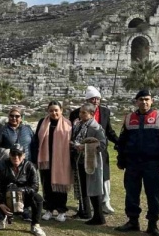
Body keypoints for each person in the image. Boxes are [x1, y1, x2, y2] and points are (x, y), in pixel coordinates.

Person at [115, 89, 159, 236]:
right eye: (141, 99)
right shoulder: (129, 118)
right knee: (131, 193)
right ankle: (133, 221)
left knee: (153, 194)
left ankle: (153, 224)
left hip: (152, 163)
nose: (144, 102)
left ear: (152, 100)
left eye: (147, 99)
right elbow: (122, 141)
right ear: (136, 101)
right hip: (133, 163)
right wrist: (121, 159)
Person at [69, 86, 118, 214]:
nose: (95, 101)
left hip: (97, 154)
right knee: (82, 182)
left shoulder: (104, 114)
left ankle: (104, 203)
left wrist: (119, 142)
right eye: (92, 99)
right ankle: (85, 208)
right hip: (80, 156)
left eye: (97, 99)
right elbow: (73, 132)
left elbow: (108, 132)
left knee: (102, 178)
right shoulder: (76, 116)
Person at [0, 143, 46, 236]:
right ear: (9, 155)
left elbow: (35, 187)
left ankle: (35, 225)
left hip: (23, 197)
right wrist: (0, 203)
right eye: (13, 154)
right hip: (4, 197)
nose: (16, 157)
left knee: (38, 198)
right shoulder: (0, 165)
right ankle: (2, 217)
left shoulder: (30, 166)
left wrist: (21, 190)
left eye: (19, 154)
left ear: (24, 155)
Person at [31, 100, 72, 223]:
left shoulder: (68, 124)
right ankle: (49, 209)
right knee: (47, 185)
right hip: (46, 159)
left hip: (61, 160)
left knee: (60, 186)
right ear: (48, 111)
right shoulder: (42, 123)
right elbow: (36, 140)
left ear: (61, 111)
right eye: (51, 110)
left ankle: (61, 211)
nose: (54, 113)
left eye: (56, 110)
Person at [71, 103, 107, 225]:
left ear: (91, 114)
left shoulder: (96, 128)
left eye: (84, 113)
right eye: (80, 112)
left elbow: (102, 144)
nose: (80, 115)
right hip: (80, 161)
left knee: (93, 188)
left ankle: (99, 216)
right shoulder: (79, 125)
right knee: (83, 187)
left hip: (92, 161)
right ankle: (85, 211)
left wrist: (84, 147)